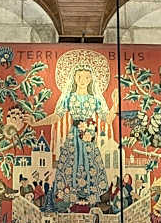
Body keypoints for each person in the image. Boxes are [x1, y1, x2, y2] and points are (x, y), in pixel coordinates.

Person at [37, 65, 114, 210]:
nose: (82, 80)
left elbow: (107, 119)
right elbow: (56, 116)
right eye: (79, 77)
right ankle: (69, 198)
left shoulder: (94, 99)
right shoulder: (69, 98)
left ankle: (90, 198)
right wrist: (36, 123)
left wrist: (115, 104)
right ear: (74, 78)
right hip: (74, 136)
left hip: (88, 137)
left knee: (90, 163)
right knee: (70, 163)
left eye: (86, 77)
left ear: (91, 79)